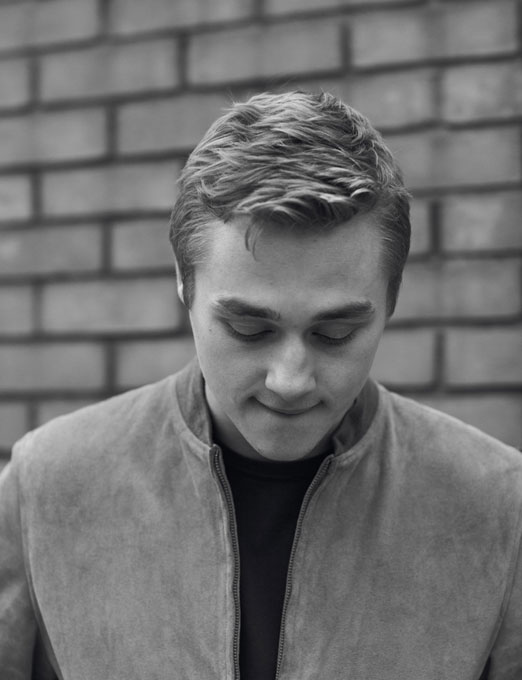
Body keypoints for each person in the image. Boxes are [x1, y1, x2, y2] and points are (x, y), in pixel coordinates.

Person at [0, 90, 521, 680]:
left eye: (336, 333)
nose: (290, 380)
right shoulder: (46, 484)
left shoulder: (500, 503)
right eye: (249, 329)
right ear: (184, 285)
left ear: (392, 301)